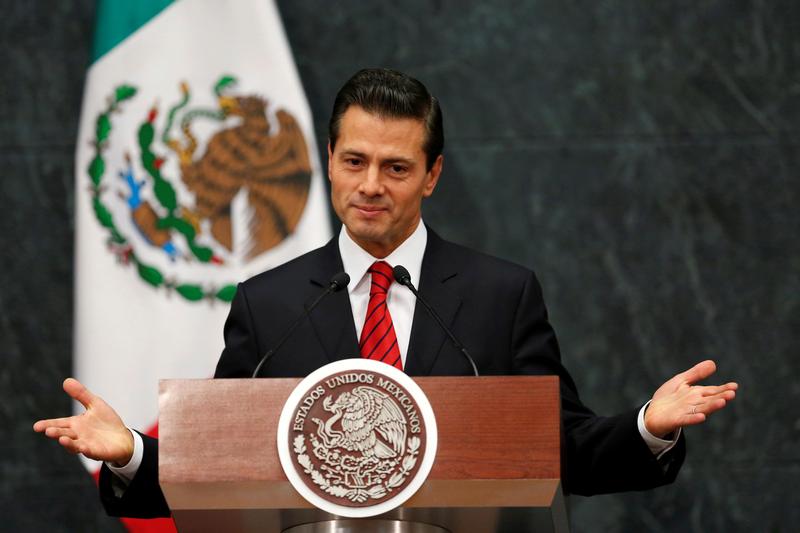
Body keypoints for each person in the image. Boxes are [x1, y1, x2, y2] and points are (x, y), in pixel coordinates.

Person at [34, 68, 738, 519]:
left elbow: (563, 450)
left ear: (431, 176)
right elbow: (217, 466)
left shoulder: (501, 294)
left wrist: (650, 422)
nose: (371, 184)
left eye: (396, 167)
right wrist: (128, 450)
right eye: (355, 161)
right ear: (330, 163)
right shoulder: (269, 304)